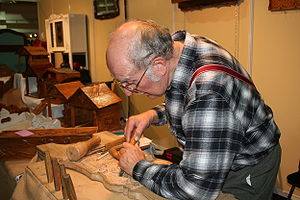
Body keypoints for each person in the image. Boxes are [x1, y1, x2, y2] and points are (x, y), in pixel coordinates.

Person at [106, 19, 281, 200]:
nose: (127, 92)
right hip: (221, 147)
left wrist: (137, 166)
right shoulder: (179, 50)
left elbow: (195, 189)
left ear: (158, 66)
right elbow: (189, 96)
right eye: (121, 82)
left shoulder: (209, 92)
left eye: (130, 82)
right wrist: (153, 114)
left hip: (246, 165)